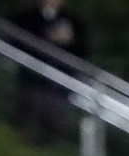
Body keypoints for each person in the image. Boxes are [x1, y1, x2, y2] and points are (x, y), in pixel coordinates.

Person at [9, 0, 90, 147]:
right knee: (29, 110)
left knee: (54, 120)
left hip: (59, 83)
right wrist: (47, 37)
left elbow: (82, 52)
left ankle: (44, 147)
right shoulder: (27, 16)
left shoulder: (73, 21)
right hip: (32, 77)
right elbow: (17, 40)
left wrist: (69, 41)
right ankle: (19, 140)